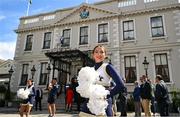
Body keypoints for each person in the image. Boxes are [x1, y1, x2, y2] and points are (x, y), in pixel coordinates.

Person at [80, 45, 125, 116]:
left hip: (103, 104)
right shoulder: (90, 70)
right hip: (89, 103)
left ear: (105, 55)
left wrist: (106, 95)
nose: (99, 54)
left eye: (102, 52)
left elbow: (121, 85)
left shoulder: (108, 67)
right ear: (93, 55)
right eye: (96, 52)